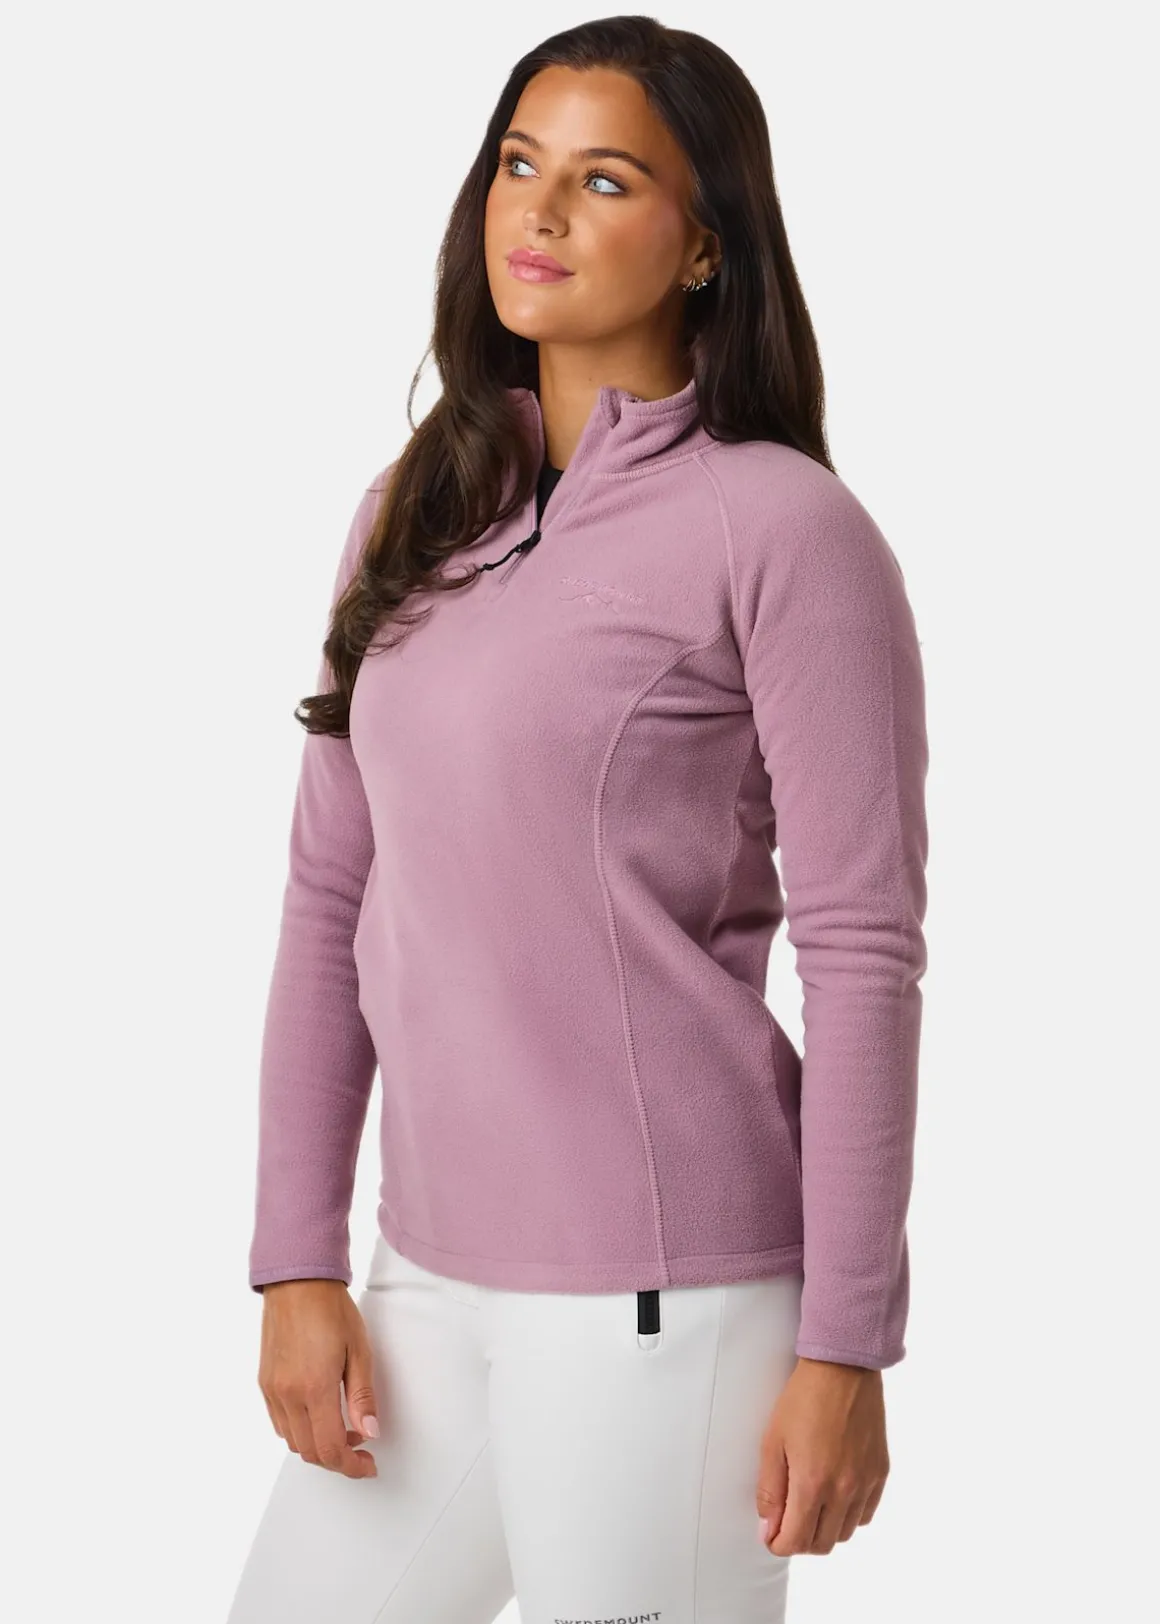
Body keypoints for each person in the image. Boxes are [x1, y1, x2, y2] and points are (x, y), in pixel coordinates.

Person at [227, 17, 929, 1624]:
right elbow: (330, 892)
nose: (538, 211)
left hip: (664, 1303)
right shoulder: (415, 508)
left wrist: (845, 1346)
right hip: (424, 1274)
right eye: (518, 166)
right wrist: (296, 1258)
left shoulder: (786, 531)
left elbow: (863, 954)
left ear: (705, 244)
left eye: (605, 180)